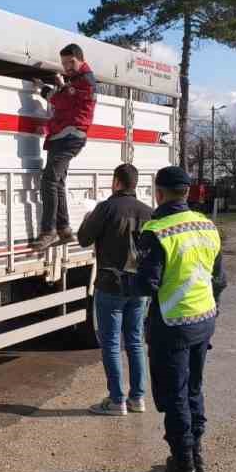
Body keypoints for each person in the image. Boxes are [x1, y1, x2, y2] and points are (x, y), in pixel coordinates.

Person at [130, 165, 226, 472]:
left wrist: (128, 274)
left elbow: (147, 284)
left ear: (159, 192)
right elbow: (219, 279)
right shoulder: (207, 225)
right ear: (187, 192)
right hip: (204, 318)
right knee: (194, 389)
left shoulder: (156, 230)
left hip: (171, 324)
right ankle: (196, 455)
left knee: (174, 396)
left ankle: (182, 467)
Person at [77, 163, 154, 415]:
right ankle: (138, 398)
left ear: (117, 182)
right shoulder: (148, 212)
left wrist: (89, 217)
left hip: (110, 285)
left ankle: (116, 400)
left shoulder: (106, 208)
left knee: (111, 343)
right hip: (139, 287)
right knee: (135, 342)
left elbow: (83, 238)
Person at [30, 43, 96, 250]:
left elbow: (62, 101)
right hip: (62, 135)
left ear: (81, 59)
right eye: (64, 63)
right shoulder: (78, 80)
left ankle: (48, 231)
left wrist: (44, 89)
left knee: (49, 181)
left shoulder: (85, 80)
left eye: (71, 62)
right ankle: (64, 230)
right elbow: (69, 97)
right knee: (57, 182)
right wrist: (62, 85)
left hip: (70, 136)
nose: (67, 66)